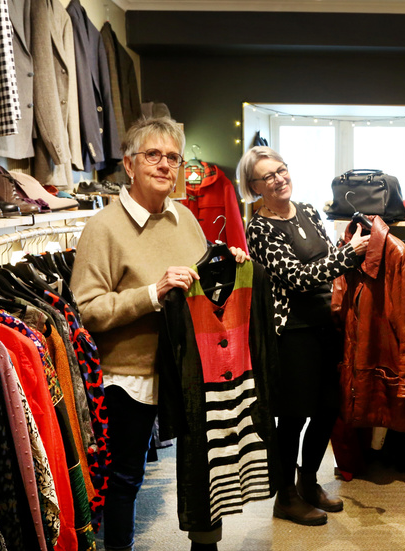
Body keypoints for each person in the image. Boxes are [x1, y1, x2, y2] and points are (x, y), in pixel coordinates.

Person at [71, 117, 247, 551]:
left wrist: (227, 265)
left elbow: (201, 289)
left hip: (187, 368)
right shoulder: (103, 228)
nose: (165, 165)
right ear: (129, 164)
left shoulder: (184, 218)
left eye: (173, 157)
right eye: (153, 155)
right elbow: (86, 309)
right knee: (126, 477)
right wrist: (152, 293)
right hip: (129, 375)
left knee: (202, 466)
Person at [237, 146, 370, 527]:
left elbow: (325, 258)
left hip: (326, 322)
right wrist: (348, 255)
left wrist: (345, 250)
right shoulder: (259, 228)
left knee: (328, 409)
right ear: (254, 187)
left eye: (281, 170)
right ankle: (285, 497)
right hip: (292, 331)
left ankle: (308, 482)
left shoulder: (309, 210)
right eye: (268, 176)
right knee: (294, 417)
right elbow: (297, 277)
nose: (279, 179)